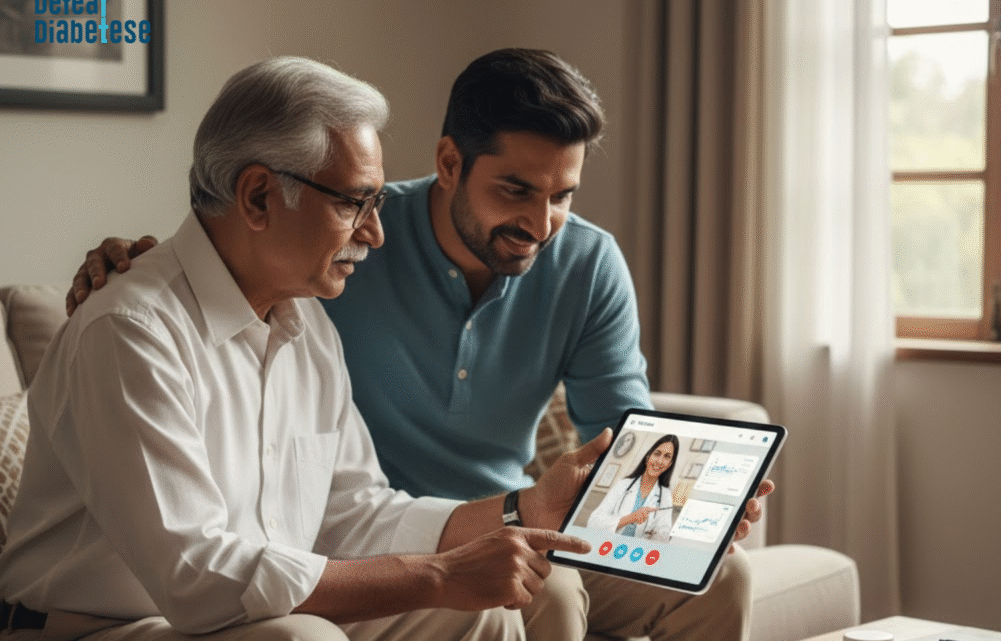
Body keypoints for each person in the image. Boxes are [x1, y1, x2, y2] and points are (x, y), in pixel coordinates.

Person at [68, 49, 772, 641]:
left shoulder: (306, 314)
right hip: (289, 575)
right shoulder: (306, 276)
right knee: (533, 594)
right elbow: (223, 252)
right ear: (449, 163)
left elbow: (617, 441)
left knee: (718, 575)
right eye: (516, 190)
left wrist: (681, 507)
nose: (542, 224)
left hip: (460, 522)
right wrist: (136, 269)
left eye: (562, 196)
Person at [0, 56, 610, 641]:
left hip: (249, 617)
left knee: (481, 618)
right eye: (353, 202)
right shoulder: (131, 328)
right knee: (303, 636)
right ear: (258, 196)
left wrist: (526, 508)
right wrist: (437, 576)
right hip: (102, 625)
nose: (375, 233)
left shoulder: (307, 324)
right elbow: (195, 574)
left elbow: (354, 514)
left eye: (376, 204)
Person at [587, 435, 678, 542]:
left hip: (637, 550)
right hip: (608, 545)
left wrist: (664, 534)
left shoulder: (666, 495)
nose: (660, 461)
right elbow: (594, 521)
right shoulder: (623, 484)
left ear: (669, 464)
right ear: (648, 457)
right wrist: (631, 518)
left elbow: (662, 537)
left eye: (667, 457)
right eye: (657, 454)